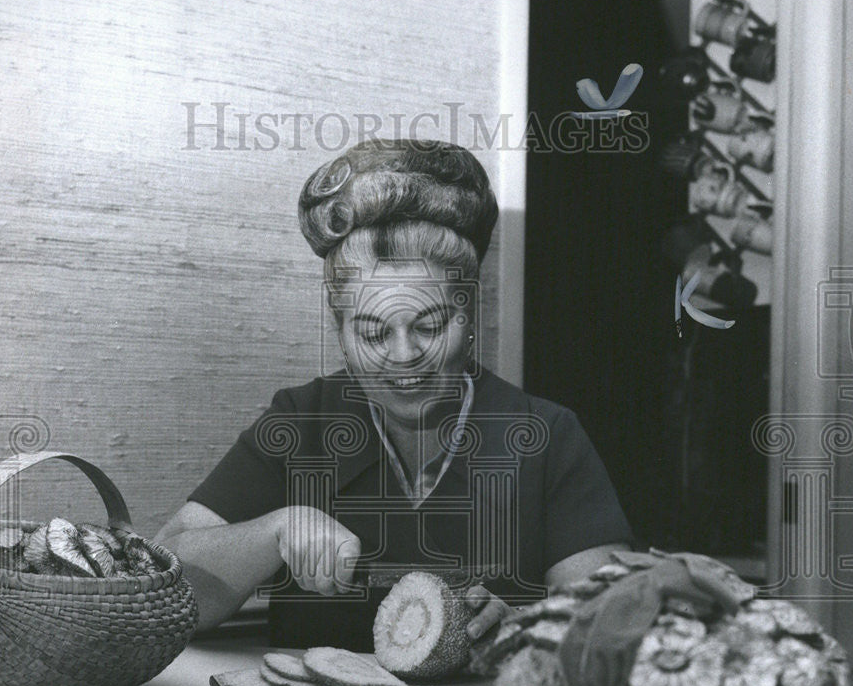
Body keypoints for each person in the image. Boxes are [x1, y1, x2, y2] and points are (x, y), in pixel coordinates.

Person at [155, 139, 633, 650]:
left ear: (468, 320)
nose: (404, 356)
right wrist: (275, 529)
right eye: (373, 333)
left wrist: (529, 625)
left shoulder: (546, 435)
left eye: (428, 327)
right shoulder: (301, 421)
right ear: (341, 334)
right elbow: (159, 591)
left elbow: (613, 624)